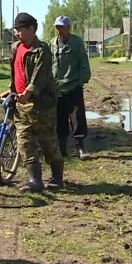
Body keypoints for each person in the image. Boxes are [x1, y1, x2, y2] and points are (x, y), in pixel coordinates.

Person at [0, 13, 64, 193]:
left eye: (20, 30)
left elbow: (40, 76)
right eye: (16, 30)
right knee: (24, 143)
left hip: (42, 106)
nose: (17, 33)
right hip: (21, 105)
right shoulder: (15, 48)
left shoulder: (42, 50)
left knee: (47, 143)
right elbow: (17, 73)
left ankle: (57, 178)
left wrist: (29, 92)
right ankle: (35, 181)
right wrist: (11, 90)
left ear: (31, 29)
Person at [51, 16, 92, 160]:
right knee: (59, 119)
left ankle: (81, 148)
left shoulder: (77, 42)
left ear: (68, 27)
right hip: (57, 89)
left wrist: (81, 81)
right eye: (57, 27)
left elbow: (84, 64)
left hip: (73, 86)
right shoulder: (52, 44)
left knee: (77, 117)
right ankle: (62, 150)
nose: (59, 30)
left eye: (62, 27)